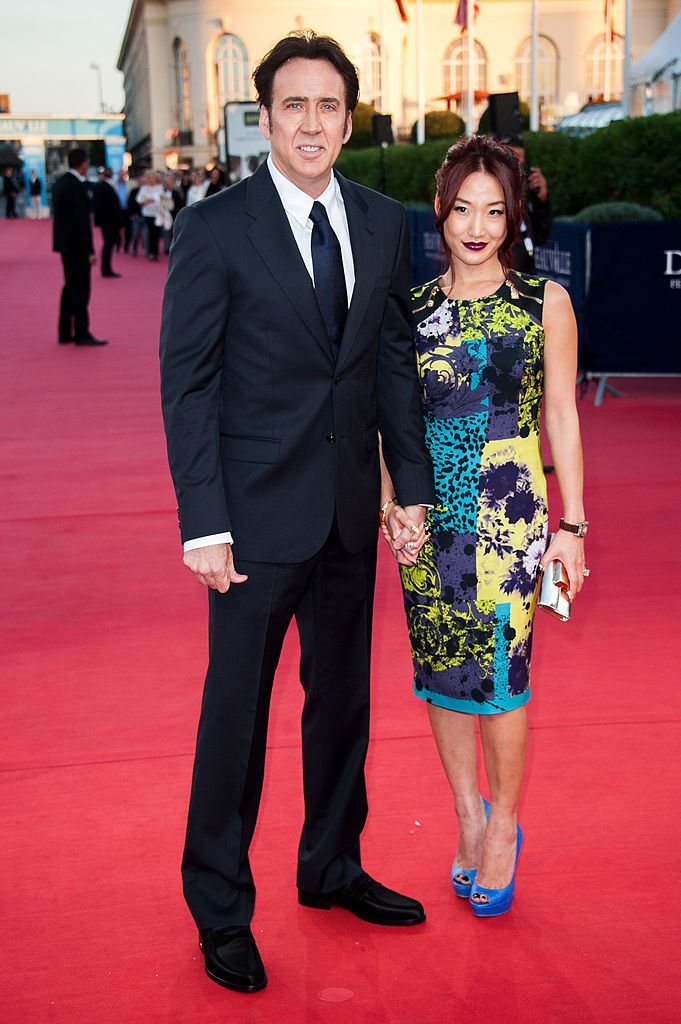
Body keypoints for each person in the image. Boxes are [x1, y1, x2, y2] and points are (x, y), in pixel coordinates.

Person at [160, 31, 435, 994]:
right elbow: (187, 383)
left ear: (347, 120)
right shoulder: (217, 226)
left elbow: (392, 365)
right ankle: (219, 907)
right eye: (293, 106)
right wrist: (204, 521)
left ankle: (330, 866)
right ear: (265, 116)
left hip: (348, 514)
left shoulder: (383, 220)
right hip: (248, 519)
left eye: (328, 107)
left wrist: (417, 490)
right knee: (233, 717)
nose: (311, 123)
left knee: (342, 706)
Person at [380, 135, 587, 918]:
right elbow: (388, 423)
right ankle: (465, 814)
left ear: (513, 217)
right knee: (439, 674)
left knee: (499, 682)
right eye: (462, 208)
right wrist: (389, 505)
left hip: (507, 510)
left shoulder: (542, 304)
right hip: (428, 515)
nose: (476, 225)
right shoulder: (415, 308)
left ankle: (502, 826)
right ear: (440, 209)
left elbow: (561, 414)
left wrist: (574, 523)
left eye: (493, 210)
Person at [52, 148, 108, 346]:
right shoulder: (77, 186)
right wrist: (90, 251)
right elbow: (82, 222)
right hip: (78, 247)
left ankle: (64, 331)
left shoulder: (60, 183)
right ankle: (82, 332)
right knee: (81, 289)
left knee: (69, 287)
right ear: (83, 164)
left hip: (64, 245)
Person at [498, 134, 553, 273]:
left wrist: (541, 200)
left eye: (521, 164)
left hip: (524, 280)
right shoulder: (488, 202)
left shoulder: (521, 202)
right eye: (512, 162)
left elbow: (540, 236)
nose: (518, 170)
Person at [93, 167, 123, 277]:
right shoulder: (106, 187)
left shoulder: (99, 187)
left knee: (108, 244)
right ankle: (106, 269)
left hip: (105, 221)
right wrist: (119, 223)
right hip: (110, 222)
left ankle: (106, 268)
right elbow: (113, 206)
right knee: (109, 244)